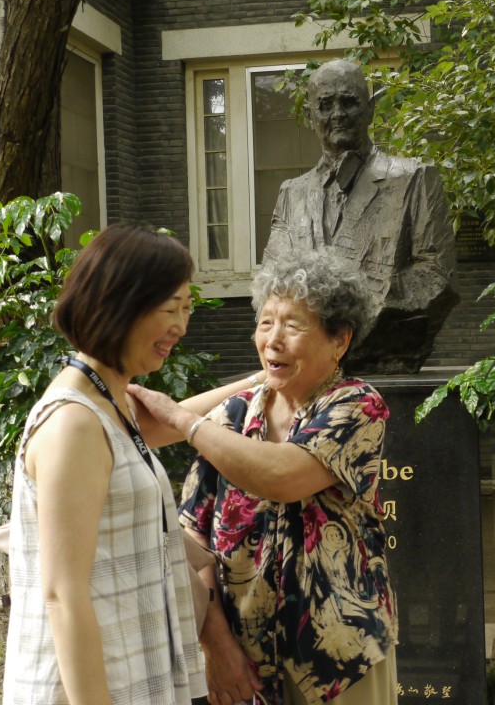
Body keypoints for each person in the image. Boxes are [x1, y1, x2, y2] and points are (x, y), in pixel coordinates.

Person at [3, 225, 266, 705]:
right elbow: (62, 595)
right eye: (170, 309)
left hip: (129, 671)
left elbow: (169, 420)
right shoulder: (74, 425)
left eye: (186, 309)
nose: (181, 327)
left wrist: (256, 381)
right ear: (120, 303)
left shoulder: (107, 399)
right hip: (86, 687)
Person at [129, 247, 399, 705]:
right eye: (266, 323)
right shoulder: (237, 414)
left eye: (293, 326)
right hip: (244, 660)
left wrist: (186, 420)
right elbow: (190, 538)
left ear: (340, 341)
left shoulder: (356, 405)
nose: (273, 338)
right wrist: (217, 646)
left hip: (339, 658)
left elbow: (279, 475)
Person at [261, 58, 458, 374]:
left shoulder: (415, 178)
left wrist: (352, 310)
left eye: (349, 102)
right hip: (307, 373)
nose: (337, 114)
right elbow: (274, 282)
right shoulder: (291, 193)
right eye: (325, 105)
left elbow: (436, 275)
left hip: (385, 356)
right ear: (310, 115)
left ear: (370, 109)